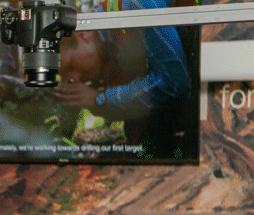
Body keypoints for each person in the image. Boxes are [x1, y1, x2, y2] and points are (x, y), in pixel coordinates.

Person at [54, 0, 197, 158]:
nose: (74, 79)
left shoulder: (132, 5)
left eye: (71, 66)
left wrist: (100, 99)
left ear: (83, 34)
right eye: (65, 76)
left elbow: (175, 83)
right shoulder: (106, 47)